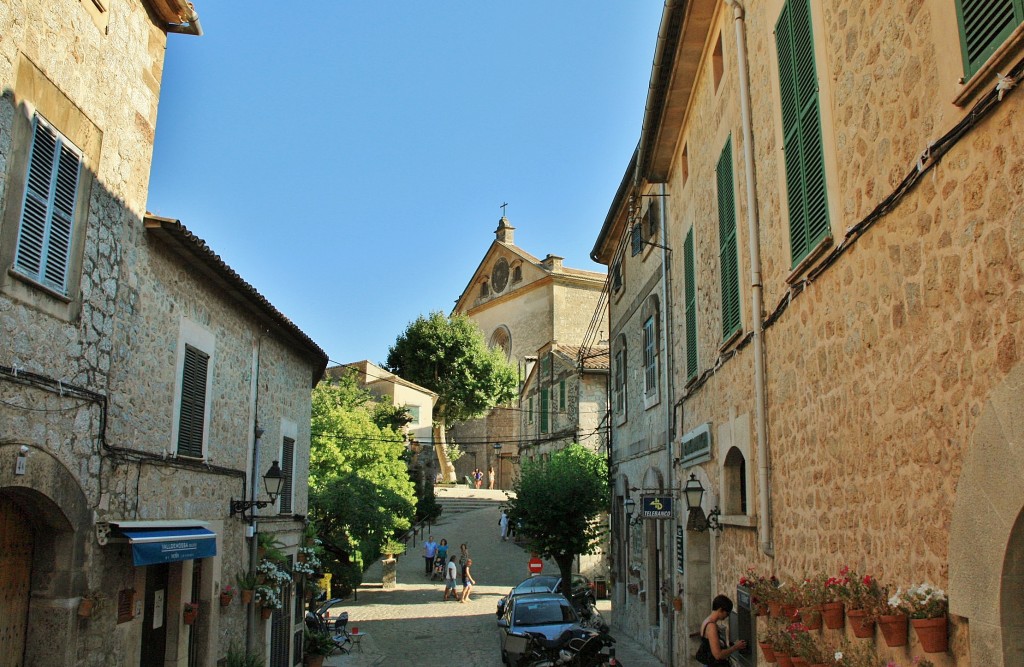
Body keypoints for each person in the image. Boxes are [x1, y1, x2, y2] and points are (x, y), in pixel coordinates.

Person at [698, 595, 747, 666]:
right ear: (721, 610)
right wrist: (735, 647)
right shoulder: (711, 626)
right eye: (727, 613)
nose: (726, 616)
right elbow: (718, 655)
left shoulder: (707, 621)